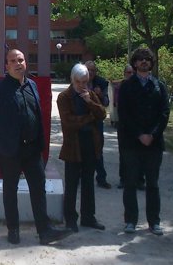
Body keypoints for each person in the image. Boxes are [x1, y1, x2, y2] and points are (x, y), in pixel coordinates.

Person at [0, 49, 71, 245]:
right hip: (10, 149)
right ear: (7, 66)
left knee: (39, 189)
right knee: (10, 189)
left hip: (32, 149)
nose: (17, 63)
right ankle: (13, 229)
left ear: (25, 63)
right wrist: (4, 132)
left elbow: (37, 114)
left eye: (20, 60)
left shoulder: (32, 86)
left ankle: (45, 230)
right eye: (13, 61)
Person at [117, 47, 169, 236]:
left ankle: (154, 221)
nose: (144, 62)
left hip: (154, 144)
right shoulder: (126, 86)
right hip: (132, 142)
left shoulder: (159, 85)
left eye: (147, 59)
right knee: (130, 182)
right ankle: (130, 220)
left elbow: (164, 113)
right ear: (135, 63)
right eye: (140, 59)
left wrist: (152, 134)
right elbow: (124, 114)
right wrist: (139, 134)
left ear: (151, 63)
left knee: (153, 184)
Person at [58, 63, 107, 232]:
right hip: (73, 145)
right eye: (79, 82)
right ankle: (70, 219)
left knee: (88, 183)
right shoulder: (64, 97)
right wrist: (88, 118)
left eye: (85, 82)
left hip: (90, 144)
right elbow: (69, 122)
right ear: (72, 80)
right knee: (71, 184)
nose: (82, 85)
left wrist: (90, 103)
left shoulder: (90, 94)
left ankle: (88, 217)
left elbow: (102, 114)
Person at [85, 60, 111, 189]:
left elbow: (106, 103)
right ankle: (79, 177)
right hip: (82, 120)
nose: (90, 73)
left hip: (96, 121)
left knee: (98, 150)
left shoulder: (101, 83)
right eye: (88, 70)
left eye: (93, 70)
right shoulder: (78, 81)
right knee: (81, 149)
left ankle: (101, 178)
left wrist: (100, 95)